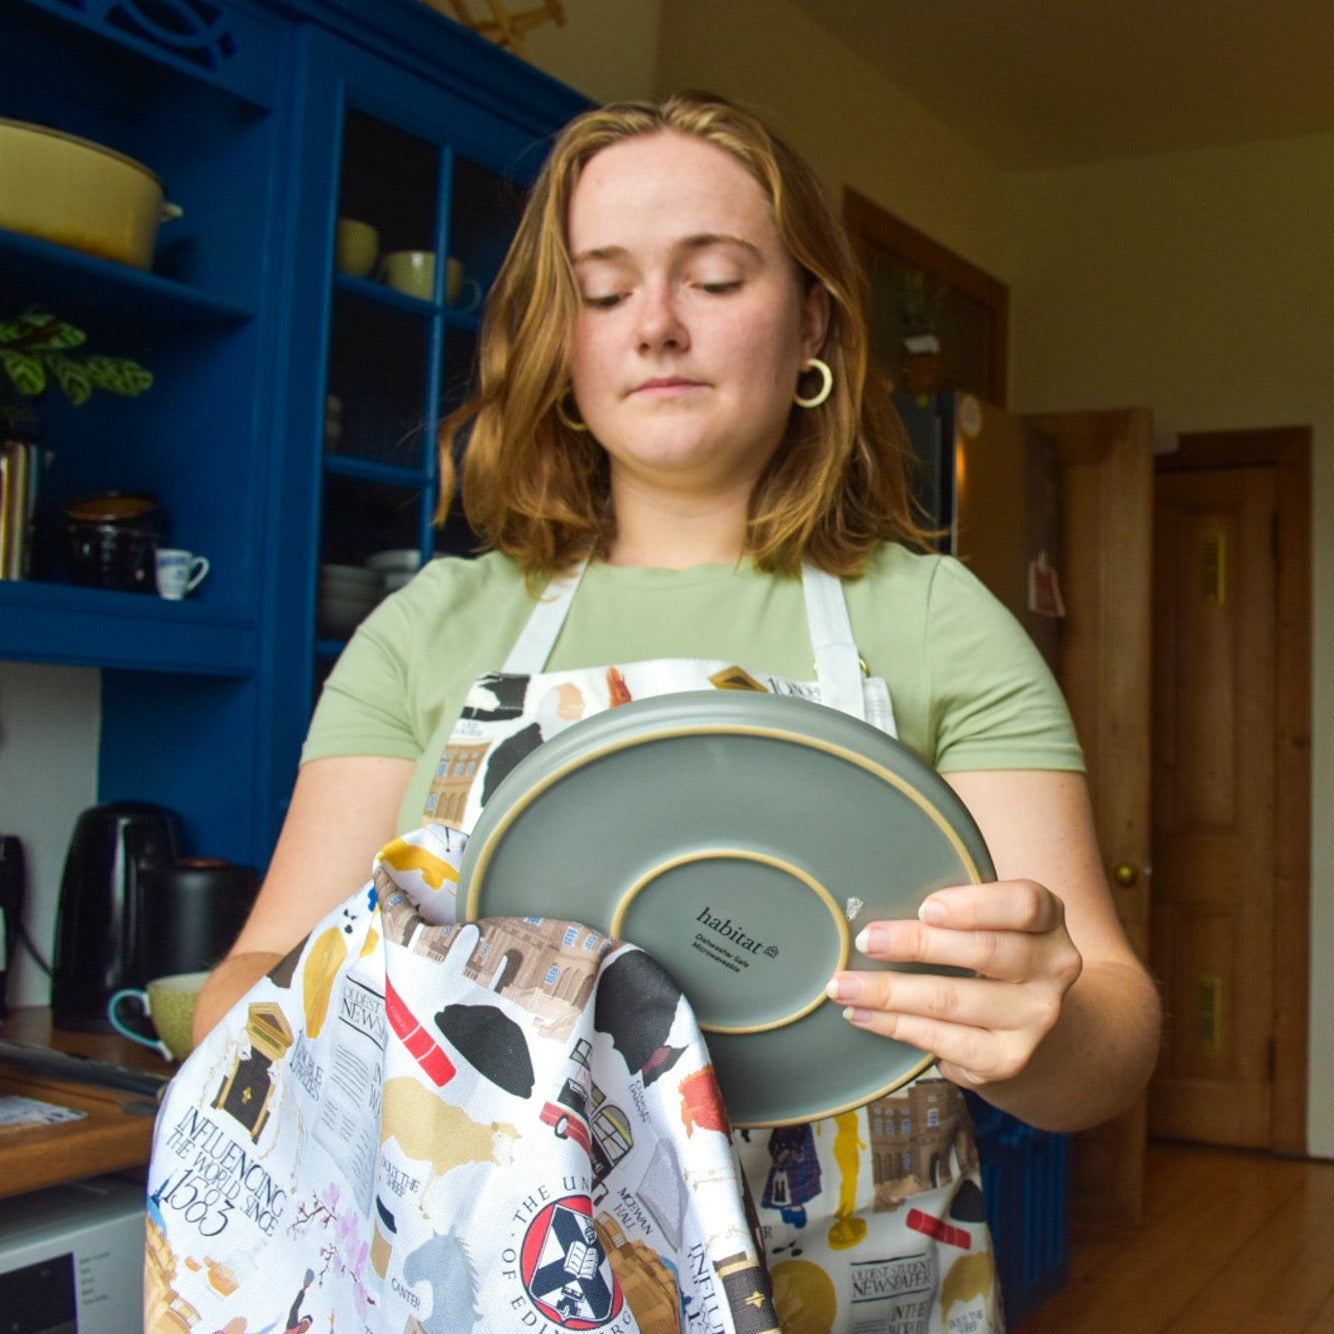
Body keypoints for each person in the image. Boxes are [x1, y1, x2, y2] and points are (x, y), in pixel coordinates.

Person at [196, 91, 1159, 1328]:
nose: (653, 325)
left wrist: (1041, 1026)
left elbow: (1111, 1034)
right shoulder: (432, 624)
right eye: (602, 291)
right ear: (564, 342)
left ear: (811, 315)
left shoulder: (931, 617)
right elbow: (251, 987)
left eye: (711, 277)